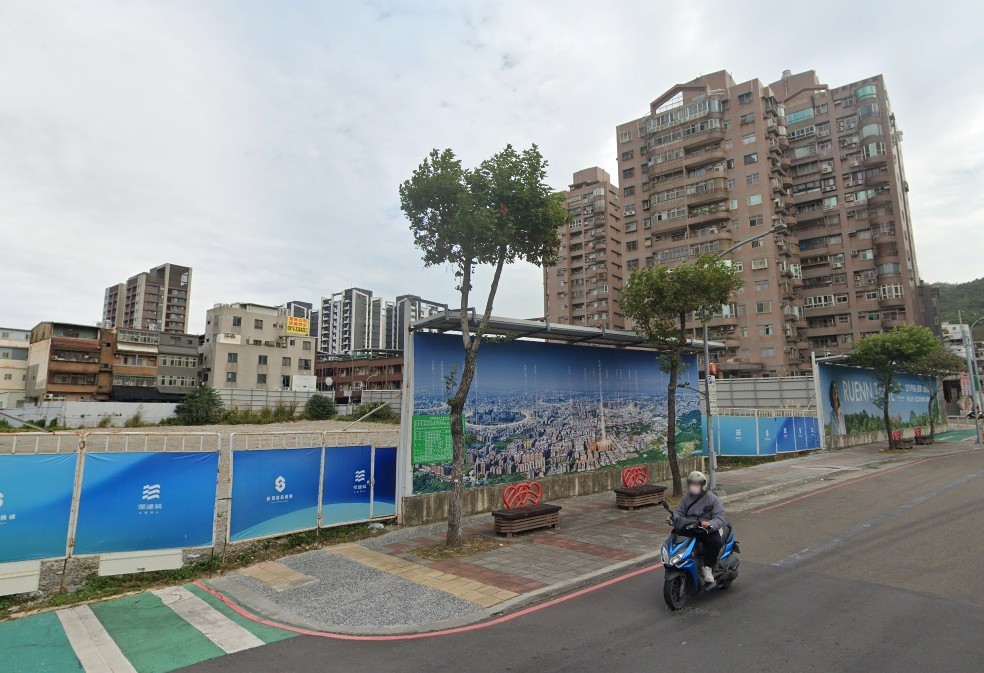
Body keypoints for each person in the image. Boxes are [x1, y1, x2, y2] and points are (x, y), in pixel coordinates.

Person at [670, 471, 726, 586]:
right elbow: (679, 512)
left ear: (703, 484)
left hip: (705, 529)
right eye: (691, 484)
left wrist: (709, 524)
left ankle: (708, 567)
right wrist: (673, 518)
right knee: (675, 534)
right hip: (691, 526)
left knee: (715, 542)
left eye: (696, 484)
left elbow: (720, 518)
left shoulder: (712, 499)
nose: (693, 486)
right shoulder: (687, 498)